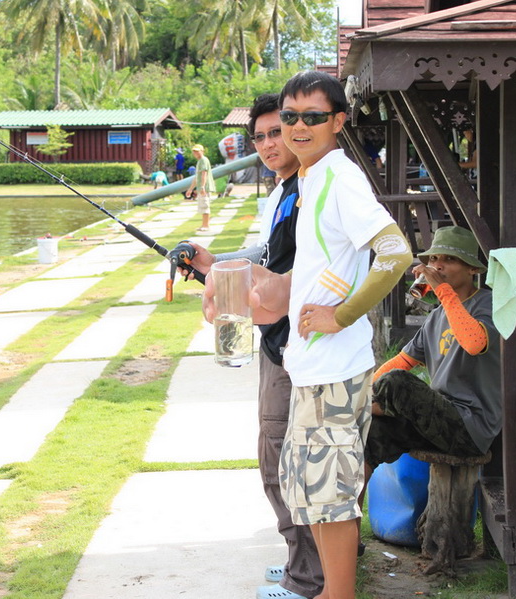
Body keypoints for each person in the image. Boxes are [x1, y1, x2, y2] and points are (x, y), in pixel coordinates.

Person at [205, 70, 412, 599]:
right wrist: (233, 281)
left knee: (331, 497)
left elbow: (395, 254)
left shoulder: (340, 178)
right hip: (310, 367)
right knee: (308, 490)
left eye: (312, 118)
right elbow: (307, 274)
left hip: (335, 370)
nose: (297, 128)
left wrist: (340, 315)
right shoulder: (313, 177)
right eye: (290, 117)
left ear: (338, 122)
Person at [181, 94, 323, 599]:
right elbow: (267, 261)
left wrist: (242, 287)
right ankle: (303, 563)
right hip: (278, 344)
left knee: (284, 458)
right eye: (258, 137)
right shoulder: (282, 192)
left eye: (274, 132)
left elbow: (297, 277)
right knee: (285, 455)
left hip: (300, 347)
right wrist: (213, 265)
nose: (267, 144)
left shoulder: (311, 190)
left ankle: (308, 580)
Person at [364, 225, 501, 485]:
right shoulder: (437, 315)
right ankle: (350, 523)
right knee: (371, 433)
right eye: (434, 259)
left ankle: (377, 407)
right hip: (434, 417)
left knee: (397, 383)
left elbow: (474, 343)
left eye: (450, 260)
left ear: (472, 269)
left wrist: (444, 292)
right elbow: (404, 361)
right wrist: (361, 391)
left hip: (471, 427)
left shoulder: (487, 303)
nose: (438, 266)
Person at [185, 144, 216, 232]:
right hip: (201, 187)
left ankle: (206, 225)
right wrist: (190, 189)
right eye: (194, 151)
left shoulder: (203, 160)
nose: (195, 153)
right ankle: (204, 224)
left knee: (205, 205)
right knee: (202, 206)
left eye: (197, 151)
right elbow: (196, 177)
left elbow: (204, 174)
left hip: (205, 187)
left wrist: (202, 186)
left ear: (202, 151)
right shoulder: (199, 161)